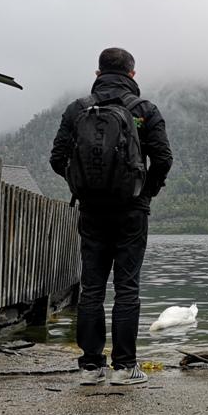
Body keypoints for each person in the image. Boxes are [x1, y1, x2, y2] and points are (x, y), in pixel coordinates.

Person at [50, 47, 173, 385]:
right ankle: (124, 368)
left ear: (97, 73)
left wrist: (82, 186)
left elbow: (57, 158)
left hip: (91, 211)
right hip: (131, 211)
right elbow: (163, 159)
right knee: (126, 287)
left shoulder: (78, 109)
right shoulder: (144, 110)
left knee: (91, 287)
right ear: (132, 74)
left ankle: (91, 368)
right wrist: (145, 192)